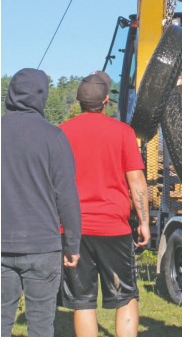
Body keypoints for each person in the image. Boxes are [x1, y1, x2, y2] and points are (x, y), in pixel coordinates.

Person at [59, 71, 150, 337]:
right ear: (106, 102)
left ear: (78, 100)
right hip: (114, 228)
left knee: (83, 302)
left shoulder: (61, 132)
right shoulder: (122, 132)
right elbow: (136, 180)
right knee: (125, 297)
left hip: (74, 230)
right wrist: (144, 222)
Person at [1, 68, 81, 337]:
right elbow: (66, 196)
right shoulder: (53, 137)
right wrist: (72, 244)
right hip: (43, 247)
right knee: (41, 326)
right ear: (42, 96)